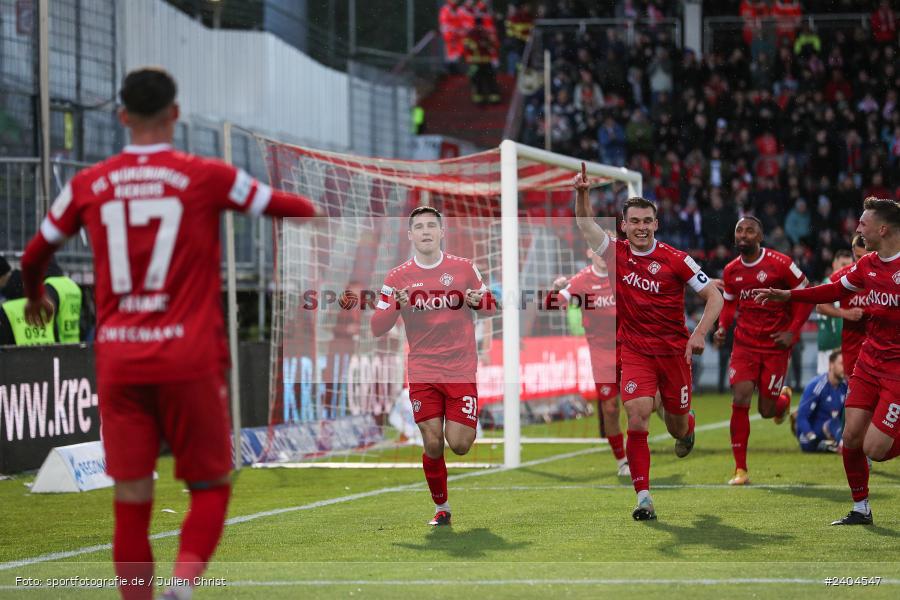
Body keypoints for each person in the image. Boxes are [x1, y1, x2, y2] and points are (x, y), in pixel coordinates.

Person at [20, 67, 319, 600]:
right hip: (189, 358)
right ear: (176, 114)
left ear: (122, 117)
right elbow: (282, 206)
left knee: (132, 496)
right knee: (209, 487)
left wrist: (37, 293)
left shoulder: (88, 184)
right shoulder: (206, 175)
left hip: (121, 362)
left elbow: (35, 253)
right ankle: (181, 587)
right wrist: (321, 207)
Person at [573, 167, 724, 521]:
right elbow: (585, 224)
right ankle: (643, 497)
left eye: (647, 221)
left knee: (677, 427)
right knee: (637, 416)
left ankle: (688, 428)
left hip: (673, 355)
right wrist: (583, 194)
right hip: (636, 352)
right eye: (634, 221)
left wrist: (699, 332)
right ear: (623, 226)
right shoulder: (615, 253)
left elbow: (714, 297)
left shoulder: (676, 259)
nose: (641, 227)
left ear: (656, 224)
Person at [754, 198, 900, 526]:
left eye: (863, 224)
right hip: (868, 362)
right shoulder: (868, 264)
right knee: (851, 439)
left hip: (896, 371)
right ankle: (861, 507)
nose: (857, 228)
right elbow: (832, 290)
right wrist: (789, 295)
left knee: (875, 449)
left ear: (883, 228)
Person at [370, 206, 495, 527]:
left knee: (461, 445)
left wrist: (478, 301)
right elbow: (377, 326)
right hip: (423, 371)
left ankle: (444, 498)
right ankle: (442, 507)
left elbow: (491, 306)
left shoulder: (465, 268)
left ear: (442, 233)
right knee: (432, 441)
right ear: (410, 235)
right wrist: (395, 304)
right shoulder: (396, 277)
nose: (426, 231)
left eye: (431, 226)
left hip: (460, 370)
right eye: (419, 227)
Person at [713, 216, 812, 486]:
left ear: (760, 237)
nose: (743, 235)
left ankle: (782, 402)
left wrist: (792, 331)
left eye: (749, 231)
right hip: (744, 345)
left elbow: (806, 294)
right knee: (741, 396)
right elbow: (730, 303)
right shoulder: (731, 270)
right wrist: (722, 327)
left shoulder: (781, 264)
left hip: (775, 346)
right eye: (739, 230)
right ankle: (740, 469)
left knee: (767, 411)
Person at [548, 248, 629, 477]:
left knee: (645, 405)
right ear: (589, 252)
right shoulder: (581, 280)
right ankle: (622, 461)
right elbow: (554, 305)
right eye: (598, 249)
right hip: (602, 356)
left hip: (631, 350)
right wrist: (555, 290)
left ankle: (679, 419)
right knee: (610, 408)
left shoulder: (623, 275)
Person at [816, 235, 870, 380]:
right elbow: (820, 305)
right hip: (851, 345)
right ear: (853, 253)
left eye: (867, 256)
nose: (862, 261)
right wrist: (846, 313)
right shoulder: (843, 275)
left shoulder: (887, 273)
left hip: (880, 343)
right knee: (850, 392)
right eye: (858, 257)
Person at [792, 350, 847, 453]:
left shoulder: (845, 387)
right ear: (831, 364)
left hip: (832, 433)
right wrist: (812, 437)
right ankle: (842, 445)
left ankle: (838, 445)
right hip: (811, 436)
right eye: (841, 363)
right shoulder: (817, 385)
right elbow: (801, 417)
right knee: (832, 423)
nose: (845, 367)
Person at [815, 250, 854, 374]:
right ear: (834, 264)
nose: (846, 268)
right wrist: (846, 313)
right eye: (843, 265)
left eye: (849, 265)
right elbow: (820, 307)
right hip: (830, 344)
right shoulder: (828, 284)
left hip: (845, 345)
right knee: (826, 380)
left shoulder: (850, 286)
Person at [462, 16, 502, 104]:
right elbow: (467, 45)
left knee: (487, 79)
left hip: (482, 61)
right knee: (480, 79)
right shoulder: (478, 33)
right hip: (478, 61)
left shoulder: (480, 33)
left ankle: (491, 97)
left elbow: (492, 44)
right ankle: (482, 98)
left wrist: (485, 45)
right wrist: (478, 45)